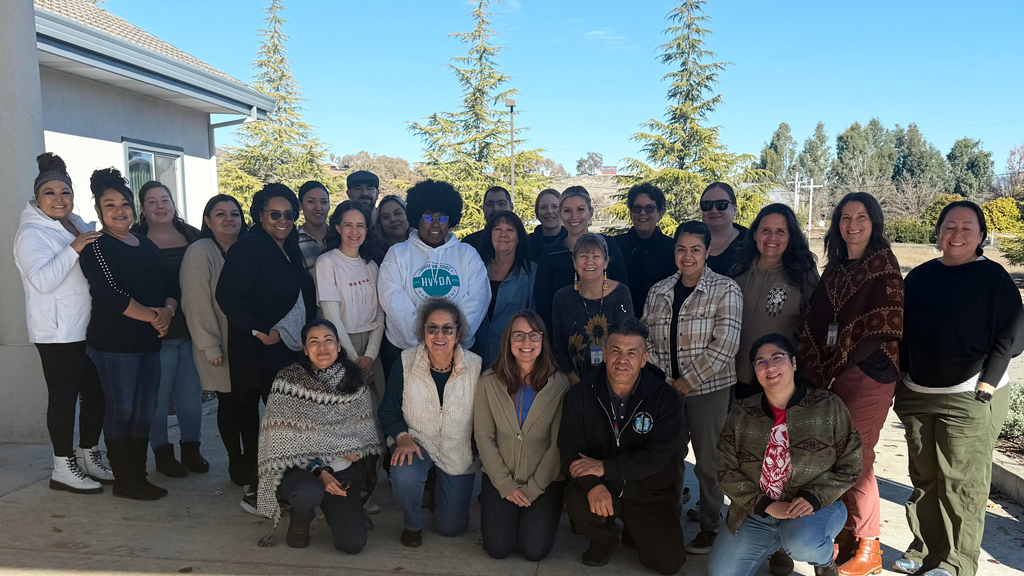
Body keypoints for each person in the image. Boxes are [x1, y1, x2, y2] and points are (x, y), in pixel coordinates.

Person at [895, 201, 1024, 576]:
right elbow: (903, 333)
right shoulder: (919, 277)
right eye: (949, 226)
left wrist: (988, 381)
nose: (957, 234)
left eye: (967, 228)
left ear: (981, 235)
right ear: (938, 233)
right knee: (925, 479)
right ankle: (924, 550)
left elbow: (1011, 336)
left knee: (961, 482)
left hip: (971, 392)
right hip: (919, 393)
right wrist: (902, 376)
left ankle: (955, 562)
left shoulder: (994, 278)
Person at [796, 192, 903, 576]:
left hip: (869, 373)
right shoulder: (836, 269)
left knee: (857, 460)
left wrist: (840, 362)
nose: (852, 224)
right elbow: (817, 319)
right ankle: (843, 534)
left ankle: (870, 546)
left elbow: (887, 324)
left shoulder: (883, 265)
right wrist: (819, 367)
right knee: (832, 458)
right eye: (845, 217)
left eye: (861, 217)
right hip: (831, 376)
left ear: (874, 223)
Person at [708, 334, 863, 576]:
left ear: (793, 362)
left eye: (777, 358)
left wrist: (814, 497)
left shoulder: (828, 405)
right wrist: (766, 505)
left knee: (802, 542)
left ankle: (823, 562)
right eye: (761, 362)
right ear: (755, 371)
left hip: (814, 509)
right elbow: (726, 471)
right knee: (721, 573)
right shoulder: (741, 412)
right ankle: (778, 545)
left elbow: (851, 462)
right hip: (756, 513)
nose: (769, 367)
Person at [641, 220, 742, 555]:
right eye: (682, 249)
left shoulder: (725, 289)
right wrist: (665, 380)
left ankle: (711, 524)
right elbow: (645, 339)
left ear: (708, 251)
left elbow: (725, 344)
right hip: (666, 390)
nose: (688, 256)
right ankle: (668, 515)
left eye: (695, 249)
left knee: (708, 462)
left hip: (708, 390)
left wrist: (687, 381)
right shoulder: (658, 291)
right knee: (669, 457)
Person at [14, 152, 110, 494]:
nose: (59, 198)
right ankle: (62, 467)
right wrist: (75, 247)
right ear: (37, 198)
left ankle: (88, 454)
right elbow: (42, 281)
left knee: (95, 394)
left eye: (65, 192)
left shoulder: (74, 223)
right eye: (50, 192)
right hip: (57, 332)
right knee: (64, 398)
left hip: (85, 327)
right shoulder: (31, 233)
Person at [216, 183, 316, 514]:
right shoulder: (248, 248)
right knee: (280, 424)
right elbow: (227, 296)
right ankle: (257, 493)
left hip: (289, 350)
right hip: (261, 352)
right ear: (260, 216)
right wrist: (261, 331)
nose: (283, 220)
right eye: (275, 214)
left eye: (289, 214)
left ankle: (282, 487)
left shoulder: (289, 247)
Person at [79, 167, 178, 501]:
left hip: (148, 341)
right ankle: (125, 479)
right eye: (110, 205)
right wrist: (155, 317)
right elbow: (112, 294)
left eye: (124, 204)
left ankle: (139, 475)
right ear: (99, 212)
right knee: (122, 410)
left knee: (144, 410)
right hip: (114, 345)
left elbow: (169, 283)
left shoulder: (145, 243)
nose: (119, 210)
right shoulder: (97, 247)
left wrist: (168, 311)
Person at [559, 319, 684, 575]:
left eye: (632, 353)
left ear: (644, 359)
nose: (622, 360)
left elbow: (660, 456)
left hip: (647, 492)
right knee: (577, 497)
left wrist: (606, 467)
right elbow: (569, 449)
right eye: (615, 351)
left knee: (668, 564)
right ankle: (603, 537)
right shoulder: (579, 395)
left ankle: (633, 530)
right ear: (604, 354)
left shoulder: (666, 398)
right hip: (603, 486)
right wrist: (593, 485)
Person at [254, 319, 383, 551]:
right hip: (301, 472)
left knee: (352, 544)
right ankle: (300, 519)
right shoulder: (288, 382)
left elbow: (361, 442)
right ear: (304, 348)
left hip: (343, 470)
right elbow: (280, 444)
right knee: (307, 492)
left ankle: (342, 512)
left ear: (339, 346)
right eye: (314, 342)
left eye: (328, 340)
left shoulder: (355, 381)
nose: (322, 347)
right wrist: (321, 471)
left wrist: (345, 450)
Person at [378, 298, 482, 547]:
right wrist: (402, 437)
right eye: (432, 328)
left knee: (451, 528)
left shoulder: (476, 366)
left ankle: (437, 489)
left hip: (456, 450)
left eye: (447, 328)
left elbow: (485, 417)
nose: (439, 335)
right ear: (423, 331)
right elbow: (388, 410)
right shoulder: (405, 362)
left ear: (458, 333)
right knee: (404, 474)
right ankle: (412, 523)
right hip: (416, 442)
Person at [474, 311, 570, 561]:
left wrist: (534, 488)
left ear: (543, 340)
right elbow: (484, 437)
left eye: (533, 335)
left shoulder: (559, 384)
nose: (526, 342)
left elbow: (557, 444)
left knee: (534, 550)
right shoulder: (488, 381)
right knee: (497, 548)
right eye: (518, 335)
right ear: (508, 340)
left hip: (544, 481)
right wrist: (505, 485)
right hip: (500, 478)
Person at [131, 181, 208, 478]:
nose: (160, 206)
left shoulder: (194, 236)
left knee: (190, 395)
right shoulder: (134, 240)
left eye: (165, 200)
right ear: (142, 209)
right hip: (156, 332)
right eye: (152, 202)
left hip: (192, 330)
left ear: (174, 204)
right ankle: (162, 453)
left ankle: (191, 448)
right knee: (158, 398)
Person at [378, 179, 490, 375]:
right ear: (417, 218)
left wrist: (449, 343)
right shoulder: (397, 254)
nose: (436, 224)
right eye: (428, 217)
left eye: (442, 218)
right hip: (406, 353)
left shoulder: (468, 254)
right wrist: (427, 344)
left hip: (459, 354)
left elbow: (477, 301)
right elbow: (394, 303)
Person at [317, 200, 387, 508]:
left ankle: (366, 491)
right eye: (348, 225)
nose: (354, 231)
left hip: (371, 348)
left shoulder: (372, 266)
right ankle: (343, 494)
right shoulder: (327, 263)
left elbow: (380, 314)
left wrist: (369, 356)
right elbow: (331, 315)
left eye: (360, 225)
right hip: (339, 349)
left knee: (377, 421)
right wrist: (353, 358)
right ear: (337, 227)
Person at [180, 194, 249, 485]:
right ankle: (236, 460)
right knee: (230, 403)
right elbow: (195, 302)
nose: (228, 219)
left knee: (249, 404)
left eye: (234, 213)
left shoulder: (248, 248)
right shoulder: (200, 251)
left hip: (251, 342)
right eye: (220, 214)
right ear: (208, 221)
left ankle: (253, 459)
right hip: (220, 343)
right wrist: (210, 346)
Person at [733, 204, 819, 400]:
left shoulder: (803, 275)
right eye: (765, 230)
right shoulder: (738, 271)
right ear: (755, 235)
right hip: (738, 381)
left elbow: (815, 329)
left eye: (780, 231)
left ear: (790, 237)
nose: (772, 237)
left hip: (781, 383)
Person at [534, 186, 628, 331]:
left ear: (591, 212)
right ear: (560, 214)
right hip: (562, 338)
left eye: (580, 209)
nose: (574, 216)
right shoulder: (551, 255)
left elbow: (622, 295)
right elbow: (543, 307)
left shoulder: (609, 247)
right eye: (567, 211)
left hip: (609, 337)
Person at [552, 233, 634, 384]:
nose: (589, 261)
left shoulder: (621, 293)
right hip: (573, 384)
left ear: (606, 262)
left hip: (615, 382)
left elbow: (627, 343)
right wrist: (576, 382)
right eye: (583, 256)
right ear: (574, 262)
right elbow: (558, 348)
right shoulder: (562, 298)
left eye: (596, 256)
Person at [472, 211, 536, 367]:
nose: (503, 234)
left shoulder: (532, 272)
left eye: (510, 230)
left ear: (519, 237)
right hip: (476, 355)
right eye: (498, 229)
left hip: (513, 358)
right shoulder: (477, 268)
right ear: (490, 235)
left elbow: (534, 318)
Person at [613, 183, 677, 314]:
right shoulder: (614, 246)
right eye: (637, 208)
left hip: (661, 319)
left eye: (649, 208)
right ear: (631, 212)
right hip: (621, 319)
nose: (642, 213)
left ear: (661, 212)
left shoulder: (673, 249)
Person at [701, 182, 747, 276]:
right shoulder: (689, 240)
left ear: (734, 208)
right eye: (707, 205)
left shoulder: (750, 242)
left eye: (721, 204)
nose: (714, 210)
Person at [462, 185, 513, 255]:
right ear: (483, 208)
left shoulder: (524, 242)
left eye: (501, 203)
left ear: (511, 207)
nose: (496, 208)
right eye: (490, 204)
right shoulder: (469, 244)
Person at [296, 180, 330, 274]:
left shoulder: (341, 236)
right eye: (311, 202)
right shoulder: (293, 242)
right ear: (300, 205)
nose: (318, 207)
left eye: (323, 202)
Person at [366, 194, 410, 266]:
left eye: (397, 213)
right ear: (380, 222)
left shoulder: (422, 243)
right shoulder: (373, 253)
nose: (393, 219)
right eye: (386, 217)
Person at [527, 188, 564, 259]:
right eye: (543, 207)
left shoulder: (573, 243)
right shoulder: (526, 244)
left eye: (555, 207)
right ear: (537, 212)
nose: (549, 211)